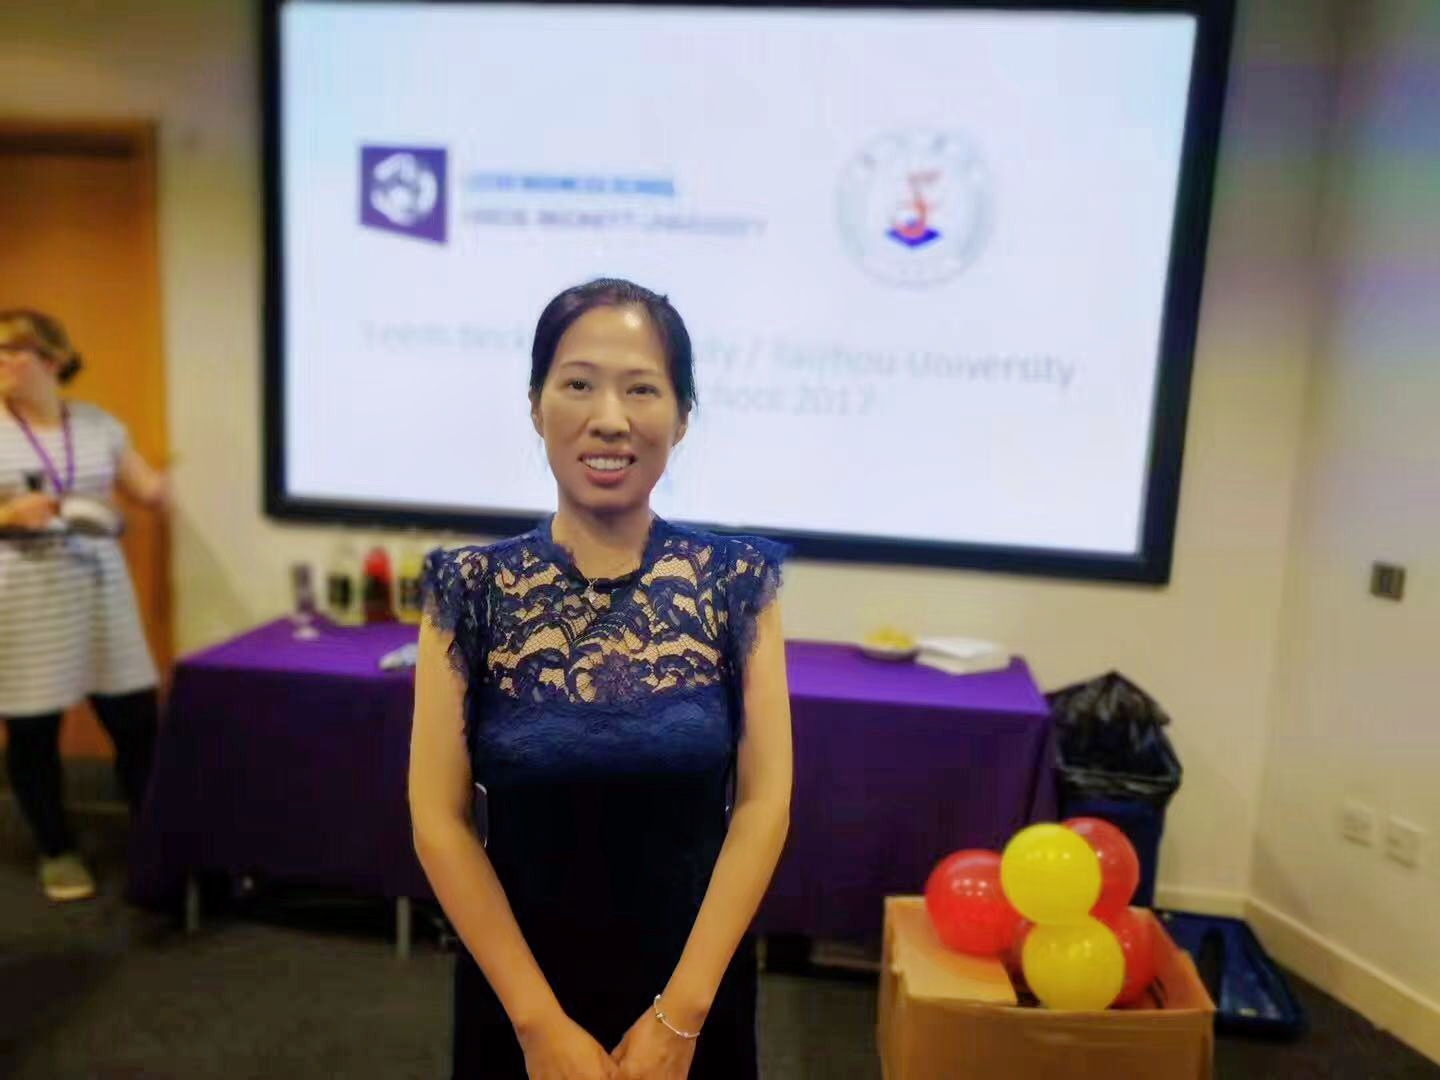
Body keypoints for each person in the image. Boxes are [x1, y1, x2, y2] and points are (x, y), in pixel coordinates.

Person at [409, 279, 793, 1079]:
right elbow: (438, 818)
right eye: (578, 384)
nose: (610, 417)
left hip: (694, 990)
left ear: (682, 417)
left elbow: (763, 804)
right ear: (535, 405)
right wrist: (539, 1027)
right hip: (519, 992)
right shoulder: (467, 590)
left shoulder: (736, 582)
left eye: (641, 389)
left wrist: (681, 1017)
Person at [0, 310, 169, 903]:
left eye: (13, 350)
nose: (2, 362)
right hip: (23, 600)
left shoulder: (99, 425)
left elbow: (149, 490)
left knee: (137, 722)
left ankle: (158, 842)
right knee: (33, 730)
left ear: (53, 359)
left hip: (99, 594)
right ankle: (57, 851)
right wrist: (8, 513)